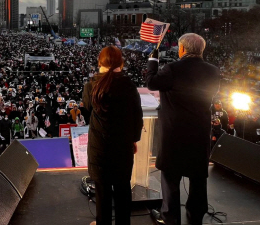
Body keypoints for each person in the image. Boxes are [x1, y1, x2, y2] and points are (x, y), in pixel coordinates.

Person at [146, 33, 220, 225]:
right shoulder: (213, 71)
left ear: (182, 49)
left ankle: (170, 217)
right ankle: (195, 217)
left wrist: (152, 61)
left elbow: (151, 83)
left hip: (174, 132)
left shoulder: (172, 69)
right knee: (197, 178)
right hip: (199, 131)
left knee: (171, 177)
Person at [83, 46, 143, 225]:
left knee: (102, 191)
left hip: (99, 146)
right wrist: (134, 139)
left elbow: (87, 109)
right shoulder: (128, 85)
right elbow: (137, 115)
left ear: (99, 62)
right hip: (122, 144)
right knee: (123, 188)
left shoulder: (91, 85)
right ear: (121, 63)